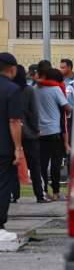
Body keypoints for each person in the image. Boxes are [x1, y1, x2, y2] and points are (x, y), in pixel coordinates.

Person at [36, 68, 71, 200]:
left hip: (40, 132)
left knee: (43, 164)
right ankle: (56, 192)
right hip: (55, 131)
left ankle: (44, 191)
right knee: (56, 163)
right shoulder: (56, 89)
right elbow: (67, 107)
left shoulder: (35, 90)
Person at [0, 53, 24, 243]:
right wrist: (18, 147)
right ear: (12, 68)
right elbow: (14, 121)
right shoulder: (12, 90)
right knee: (3, 185)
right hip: (3, 146)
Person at [14, 66, 46, 204]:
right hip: (28, 132)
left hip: (11, 132)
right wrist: (36, 128)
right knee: (34, 165)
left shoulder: (9, 90)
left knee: (11, 165)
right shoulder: (28, 90)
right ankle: (39, 194)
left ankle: (13, 194)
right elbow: (34, 112)